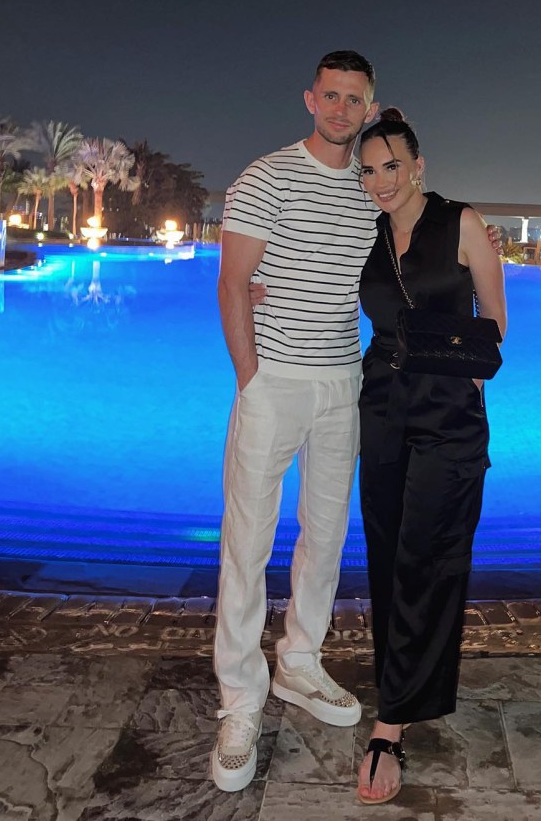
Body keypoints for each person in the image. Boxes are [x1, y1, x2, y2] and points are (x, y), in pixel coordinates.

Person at [212, 50, 380, 792]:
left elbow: (417, 241)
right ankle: (240, 695)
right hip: (275, 380)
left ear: (370, 108)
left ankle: (300, 664)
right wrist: (252, 380)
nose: (342, 109)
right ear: (310, 98)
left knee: (326, 531)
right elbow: (233, 282)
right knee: (247, 539)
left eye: (356, 99)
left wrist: (483, 248)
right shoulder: (266, 176)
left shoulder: (373, 188)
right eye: (332, 95)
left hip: (343, 379)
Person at [354, 109, 507, 805]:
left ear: (418, 166)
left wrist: (456, 387)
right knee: (388, 559)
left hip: (446, 422)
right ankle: (402, 690)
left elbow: (494, 324)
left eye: (391, 165)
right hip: (381, 411)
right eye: (369, 169)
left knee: (426, 559)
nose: (380, 180)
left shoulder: (463, 223)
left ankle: (389, 726)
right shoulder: (371, 234)